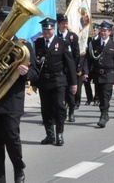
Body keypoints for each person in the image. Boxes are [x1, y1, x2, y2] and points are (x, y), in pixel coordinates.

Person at [0, 8, 38, 183]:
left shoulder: (23, 46)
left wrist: (25, 72)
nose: (2, 26)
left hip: (12, 99)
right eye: (0, 23)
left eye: (6, 22)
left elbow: (35, 74)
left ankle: (18, 167)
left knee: (11, 137)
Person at [33, 17, 77, 146]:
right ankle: (49, 135)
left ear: (54, 29)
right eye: (44, 29)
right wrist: (35, 82)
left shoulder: (62, 43)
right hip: (44, 81)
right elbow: (36, 64)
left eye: (49, 29)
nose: (47, 32)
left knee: (59, 107)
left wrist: (73, 83)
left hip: (58, 80)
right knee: (45, 109)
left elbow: (70, 65)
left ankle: (59, 134)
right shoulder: (38, 43)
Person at [83, 21, 114, 128]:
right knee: (100, 95)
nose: (103, 33)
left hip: (109, 74)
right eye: (102, 31)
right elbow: (88, 60)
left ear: (109, 32)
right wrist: (85, 72)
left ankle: (103, 116)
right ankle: (105, 113)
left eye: (105, 31)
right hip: (97, 74)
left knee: (105, 96)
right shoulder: (94, 44)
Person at [55, 13, 81, 122]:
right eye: (62, 23)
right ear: (58, 24)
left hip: (69, 69)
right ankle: (59, 114)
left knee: (70, 93)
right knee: (59, 94)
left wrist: (73, 67)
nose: (65, 25)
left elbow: (76, 53)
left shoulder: (72, 36)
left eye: (66, 23)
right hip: (59, 69)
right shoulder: (55, 36)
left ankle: (71, 112)